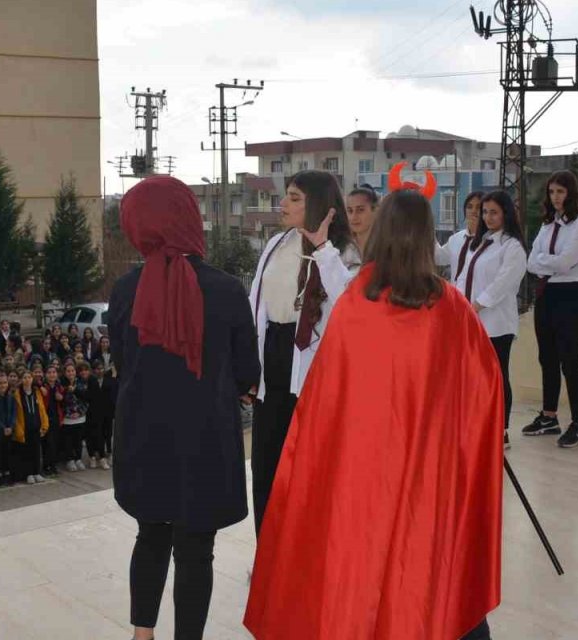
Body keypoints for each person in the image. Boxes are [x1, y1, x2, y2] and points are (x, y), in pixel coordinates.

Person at [244, 189, 503, 640]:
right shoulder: (453, 308)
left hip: (361, 473)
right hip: (428, 472)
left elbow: (324, 400)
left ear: (381, 233)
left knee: (361, 565)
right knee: (429, 566)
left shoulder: (356, 305)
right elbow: (485, 391)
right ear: (426, 238)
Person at [108, 176, 261, 640]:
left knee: (150, 534)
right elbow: (247, 374)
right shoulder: (227, 289)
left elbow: (122, 363)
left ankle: (142, 634)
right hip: (205, 439)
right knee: (196, 549)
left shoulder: (125, 289)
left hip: (144, 435)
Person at [247, 170, 356, 533]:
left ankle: (304, 555)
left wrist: (323, 249)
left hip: (311, 367)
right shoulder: (277, 243)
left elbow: (349, 307)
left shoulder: (342, 251)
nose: (283, 203)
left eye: (294, 198)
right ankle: (267, 553)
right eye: (287, 196)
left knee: (306, 471)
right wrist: (249, 366)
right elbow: (255, 303)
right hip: (272, 358)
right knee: (265, 467)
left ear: (319, 205)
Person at [524, 170, 578, 449]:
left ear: (571, 193)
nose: (556, 197)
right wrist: (548, 261)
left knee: (571, 360)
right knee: (548, 358)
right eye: (552, 192)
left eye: (561, 192)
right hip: (547, 294)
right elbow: (531, 262)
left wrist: (546, 261)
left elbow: (566, 263)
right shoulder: (548, 224)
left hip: (571, 295)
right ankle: (549, 416)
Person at [456, 190, 528, 448]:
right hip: (471, 322)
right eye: (485, 212)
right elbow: (463, 277)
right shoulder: (480, 242)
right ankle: (476, 424)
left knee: (497, 377)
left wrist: (475, 306)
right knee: (472, 378)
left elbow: (503, 284)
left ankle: (502, 429)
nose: (487, 217)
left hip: (496, 324)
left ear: (506, 213)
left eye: (494, 212)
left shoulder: (512, 246)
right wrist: (459, 305)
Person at [12, 370, 50, 484]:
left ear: (32, 379)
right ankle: (28, 474)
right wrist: (18, 429)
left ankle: (37, 472)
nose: (27, 379)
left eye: (29, 377)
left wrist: (44, 425)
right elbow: (16, 414)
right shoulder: (17, 394)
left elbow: (42, 409)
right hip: (25, 427)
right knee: (26, 451)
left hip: (36, 426)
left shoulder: (36, 392)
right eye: (24, 377)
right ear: (21, 380)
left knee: (36, 450)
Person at [59, 363, 87, 471]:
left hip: (80, 416)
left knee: (78, 440)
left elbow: (86, 399)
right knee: (68, 441)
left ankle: (78, 459)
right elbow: (61, 402)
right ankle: (70, 460)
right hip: (67, 418)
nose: (71, 373)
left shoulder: (81, 382)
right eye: (68, 371)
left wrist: (79, 412)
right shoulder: (61, 384)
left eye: (72, 370)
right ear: (65, 373)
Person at [344, 184, 380, 265]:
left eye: (360, 210)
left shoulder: (386, 246)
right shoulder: (342, 248)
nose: (354, 217)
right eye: (350, 211)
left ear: (375, 210)